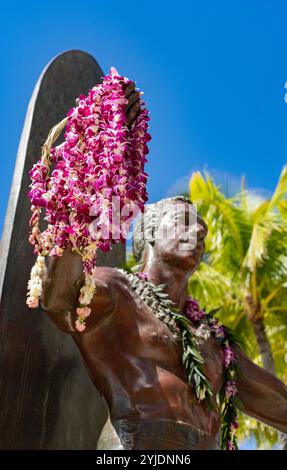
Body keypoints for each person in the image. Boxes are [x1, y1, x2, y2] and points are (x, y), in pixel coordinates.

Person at [40, 86, 287, 450]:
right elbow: (60, 300)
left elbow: (278, 403)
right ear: (151, 233)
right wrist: (84, 196)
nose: (198, 232)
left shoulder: (215, 339)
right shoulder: (114, 292)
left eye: (201, 230)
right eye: (184, 223)